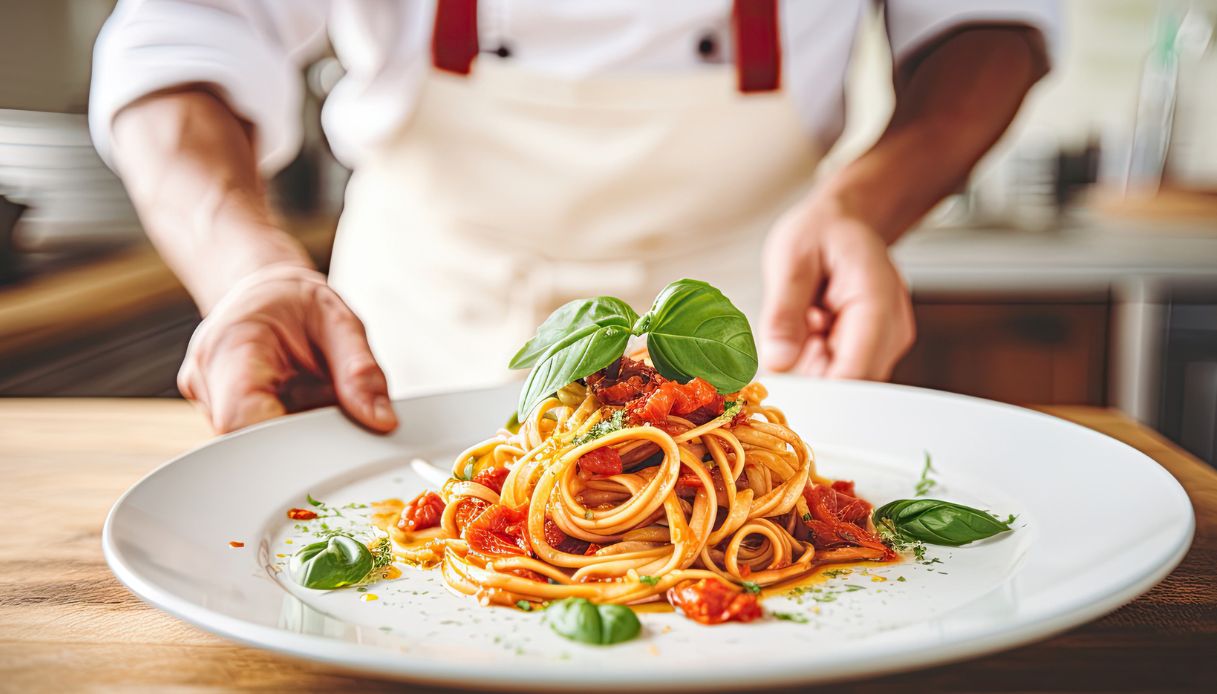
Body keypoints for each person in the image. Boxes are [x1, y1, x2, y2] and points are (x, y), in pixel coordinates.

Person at [90, 1, 1055, 434]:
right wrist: (250, 271)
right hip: (409, 327)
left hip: (759, 312)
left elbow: (988, 20)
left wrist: (861, 206)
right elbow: (186, 27)